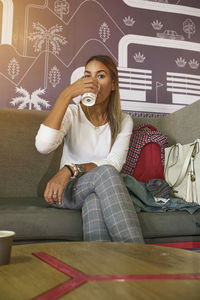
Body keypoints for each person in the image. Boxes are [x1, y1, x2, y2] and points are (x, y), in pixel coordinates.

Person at [35, 55, 144, 243]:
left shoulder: (124, 120)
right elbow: (43, 146)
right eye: (88, 76)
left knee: (95, 199)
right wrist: (66, 95)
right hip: (68, 191)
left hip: (98, 188)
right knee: (107, 173)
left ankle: (100, 269)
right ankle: (139, 258)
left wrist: (70, 169)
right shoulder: (72, 113)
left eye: (100, 76)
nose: (93, 82)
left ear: (113, 85)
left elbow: (114, 163)